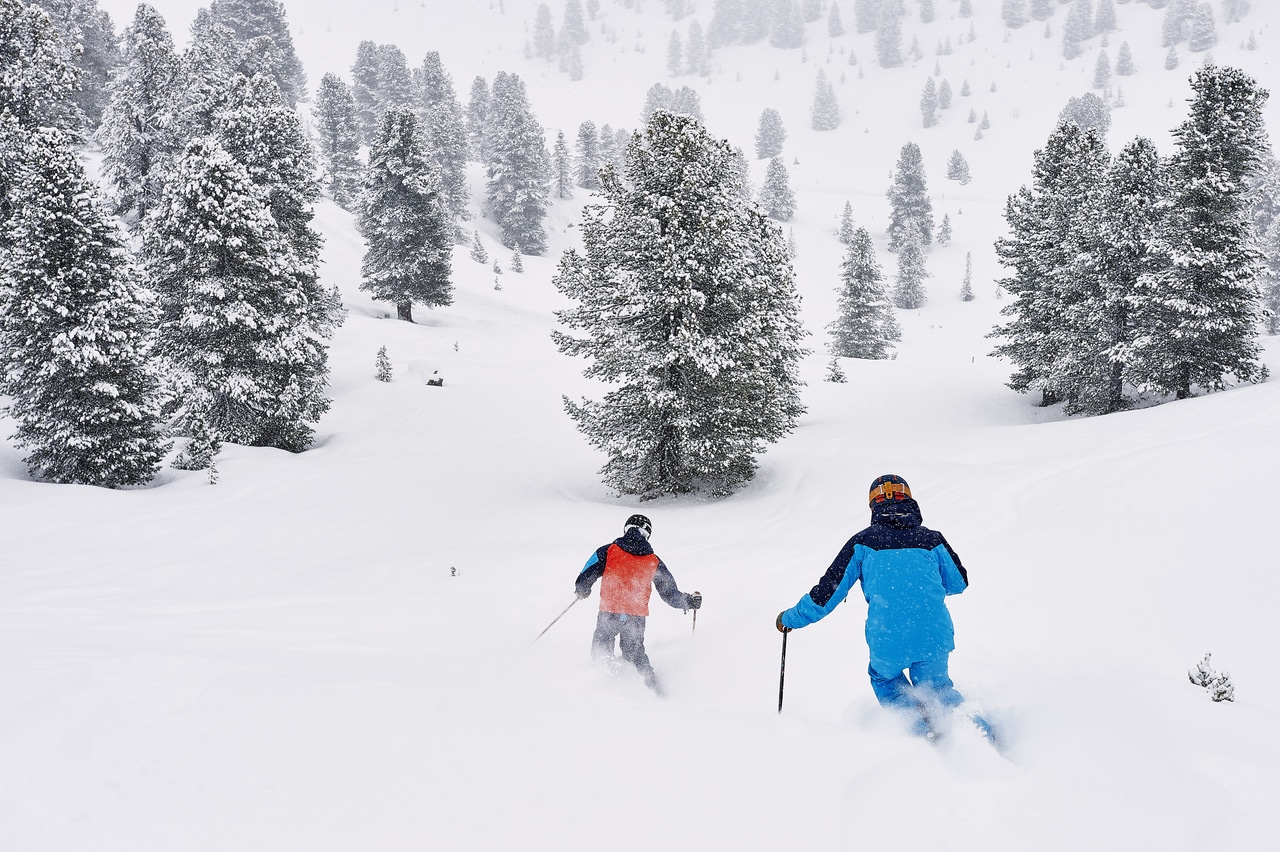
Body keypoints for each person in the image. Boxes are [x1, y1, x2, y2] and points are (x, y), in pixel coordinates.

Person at [775, 475, 992, 741]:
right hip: (933, 634)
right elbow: (958, 583)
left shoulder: (862, 543)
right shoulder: (932, 540)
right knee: (939, 690)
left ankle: (922, 741)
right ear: (910, 500)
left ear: (873, 506)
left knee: (886, 681)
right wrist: (922, 589)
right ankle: (980, 737)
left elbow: (826, 595)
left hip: (888, 637)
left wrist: (790, 619)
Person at [575, 514, 701, 694]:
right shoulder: (653, 561)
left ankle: (602, 688)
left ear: (626, 528)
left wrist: (582, 588)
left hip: (609, 611)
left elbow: (587, 571)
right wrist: (688, 601)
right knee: (635, 654)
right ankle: (652, 690)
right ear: (647, 534)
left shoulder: (608, 551)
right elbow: (669, 593)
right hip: (635, 617)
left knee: (601, 650)